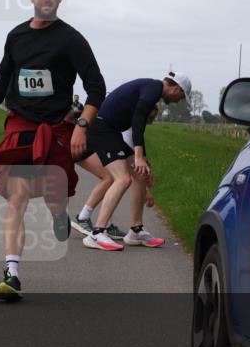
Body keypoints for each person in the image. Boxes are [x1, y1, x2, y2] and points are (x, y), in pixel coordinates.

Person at [0, 0, 106, 300]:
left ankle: (59, 212)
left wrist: (82, 125)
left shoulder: (71, 39)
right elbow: (3, 78)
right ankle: (11, 274)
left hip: (56, 128)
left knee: (54, 194)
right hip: (22, 124)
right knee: (16, 197)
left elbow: (96, 87)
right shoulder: (16, 36)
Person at [79, 74, 189, 249]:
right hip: (102, 130)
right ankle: (97, 233)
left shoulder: (151, 90)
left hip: (112, 132)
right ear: (177, 88)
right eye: (182, 96)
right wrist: (137, 157)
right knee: (123, 179)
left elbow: (140, 128)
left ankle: (136, 231)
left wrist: (143, 160)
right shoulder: (155, 88)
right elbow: (138, 117)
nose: (178, 101)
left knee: (140, 174)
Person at [71, 106, 163, 244]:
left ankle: (105, 225)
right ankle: (83, 218)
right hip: (85, 144)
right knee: (111, 178)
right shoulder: (130, 128)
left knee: (114, 179)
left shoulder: (128, 122)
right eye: (150, 117)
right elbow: (131, 163)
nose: (151, 121)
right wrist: (145, 189)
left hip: (94, 140)